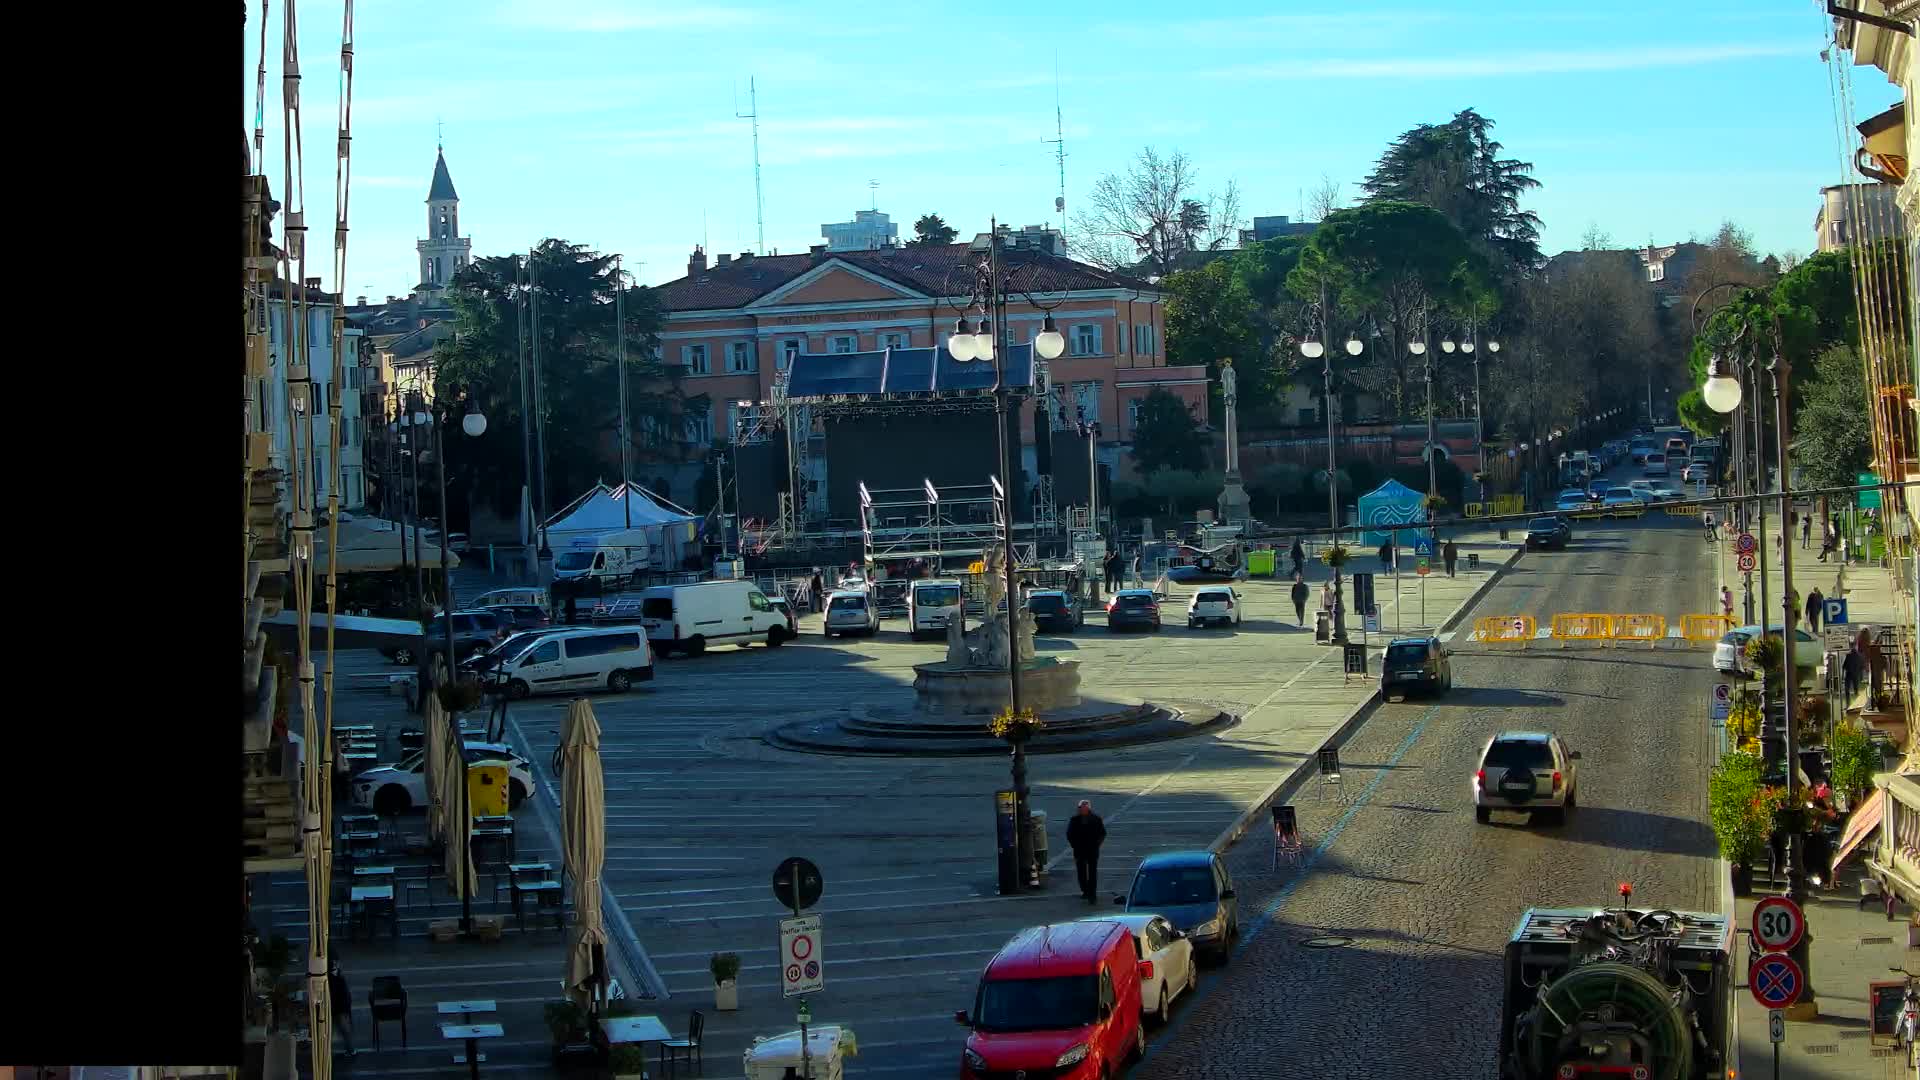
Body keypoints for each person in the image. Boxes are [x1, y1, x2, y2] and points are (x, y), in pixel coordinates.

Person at [1066, 799, 1107, 903]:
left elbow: (1102, 833)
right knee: (1081, 872)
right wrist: (1074, 845)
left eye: (1083, 808)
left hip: (1092, 849)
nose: (1081, 810)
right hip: (1080, 849)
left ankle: (1092, 893)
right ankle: (1085, 890)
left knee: (1092, 872)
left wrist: (1097, 844)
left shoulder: (1096, 819)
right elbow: (1069, 834)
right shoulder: (1075, 820)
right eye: (1080, 808)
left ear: (1088, 808)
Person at [329, 957, 354, 1057]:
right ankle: (350, 1049)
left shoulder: (335, 979)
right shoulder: (339, 978)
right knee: (344, 1030)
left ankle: (350, 1049)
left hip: (338, 1007)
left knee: (341, 1029)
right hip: (341, 1007)